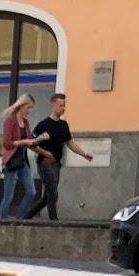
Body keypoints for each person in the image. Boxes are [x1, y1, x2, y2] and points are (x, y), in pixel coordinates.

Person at [21, 92, 94, 221]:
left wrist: (84, 154)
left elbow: (70, 143)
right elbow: (31, 143)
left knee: (47, 197)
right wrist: (44, 153)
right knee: (53, 195)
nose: (63, 108)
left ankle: (26, 217)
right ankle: (54, 222)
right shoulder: (43, 124)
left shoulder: (64, 125)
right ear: (53, 105)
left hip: (56, 164)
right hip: (45, 163)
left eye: (64, 106)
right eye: (60, 105)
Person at [0, 93, 46, 221]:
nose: (30, 111)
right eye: (29, 108)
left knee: (31, 191)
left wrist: (41, 139)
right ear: (22, 105)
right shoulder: (10, 121)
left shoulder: (25, 122)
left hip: (23, 161)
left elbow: (30, 141)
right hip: (12, 161)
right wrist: (23, 142)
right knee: (8, 195)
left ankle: (20, 219)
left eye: (32, 108)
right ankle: (3, 220)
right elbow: (7, 144)